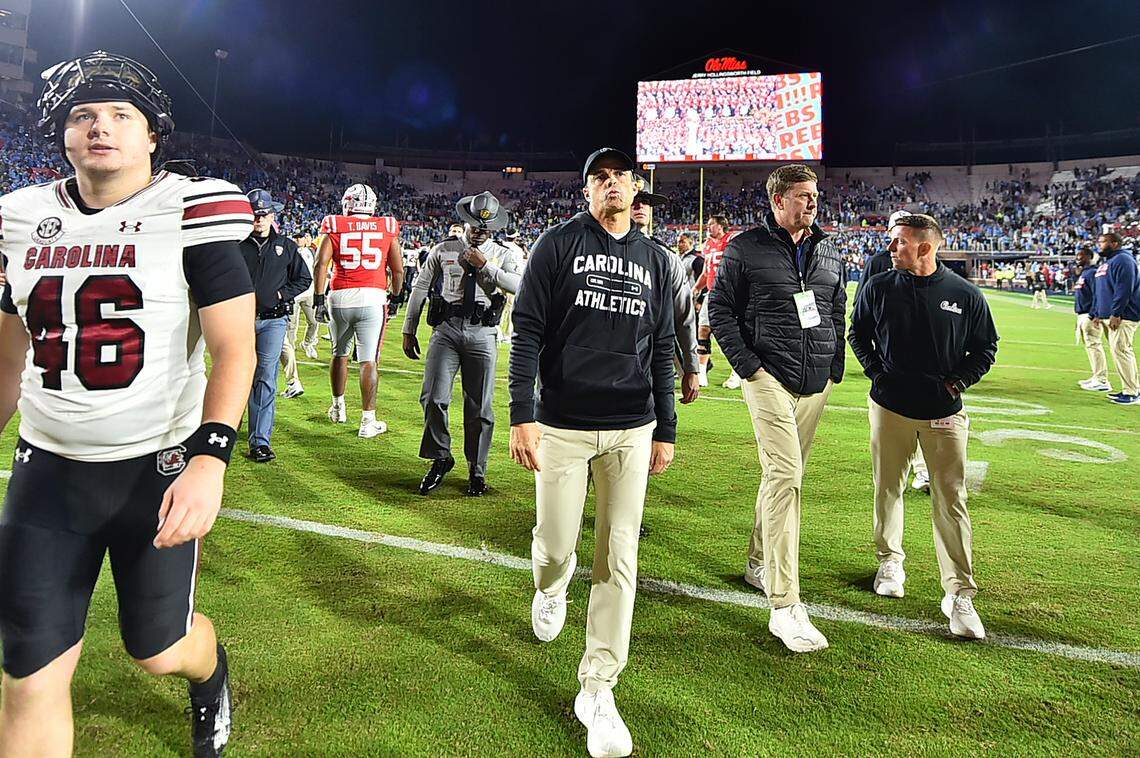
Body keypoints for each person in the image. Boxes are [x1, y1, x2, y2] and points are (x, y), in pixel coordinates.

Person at [0, 50, 255, 757]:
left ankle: (210, 673)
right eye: (84, 114)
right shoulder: (20, 219)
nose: (100, 126)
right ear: (62, 132)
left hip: (156, 467)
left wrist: (210, 460)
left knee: (159, 649)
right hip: (47, 469)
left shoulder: (192, 209)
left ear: (152, 135)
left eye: (120, 114)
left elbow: (236, 350)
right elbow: (9, 354)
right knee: (26, 675)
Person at [509, 147, 676, 758]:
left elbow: (661, 347)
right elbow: (526, 329)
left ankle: (598, 686)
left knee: (618, 557)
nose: (611, 187)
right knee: (557, 548)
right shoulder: (556, 246)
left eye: (620, 178)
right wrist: (522, 415)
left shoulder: (657, 261)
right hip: (563, 423)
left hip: (631, 427)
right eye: (598, 179)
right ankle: (551, 584)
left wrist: (666, 427)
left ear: (635, 189)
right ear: (586, 191)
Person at [708, 163, 845, 653]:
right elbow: (719, 309)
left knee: (780, 476)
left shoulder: (829, 248)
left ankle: (756, 561)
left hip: (815, 382)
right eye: (804, 195)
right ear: (778, 200)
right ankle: (785, 606)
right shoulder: (746, 248)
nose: (813, 202)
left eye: (815, 194)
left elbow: (835, 305)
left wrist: (835, 367)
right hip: (767, 374)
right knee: (787, 474)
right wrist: (748, 366)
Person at [848, 213, 998, 638]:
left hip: (943, 412)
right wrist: (877, 372)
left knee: (951, 500)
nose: (890, 249)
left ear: (925, 247)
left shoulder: (964, 294)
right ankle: (890, 561)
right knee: (887, 487)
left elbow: (986, 347)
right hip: (889, 407)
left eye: (898, 242)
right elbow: (857, 333)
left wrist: (957, 381)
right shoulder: (877, 286)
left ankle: (959, 592)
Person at [402, 192, 521, 496]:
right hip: (447, 330)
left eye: (486, 227)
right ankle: (441, 457)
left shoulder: (504, 253)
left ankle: (477, 470)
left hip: (483, 333)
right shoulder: (444, 249)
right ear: (465, 221)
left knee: (480, 406)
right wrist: (409, 328)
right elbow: (420, 288)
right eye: (475, 225)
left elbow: (518, 286)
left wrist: (485, 266)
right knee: (433, 397)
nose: (480, 231)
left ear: (494, 227)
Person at [314, 184, 405, 436]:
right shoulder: (386, 226)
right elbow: (397, 270)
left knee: (339, 354)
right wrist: (396, 297)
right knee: (368, 360)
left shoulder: (334, 224)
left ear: (348, 203)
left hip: (340, 296)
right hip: (373, 297)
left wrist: (319, 298)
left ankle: (338, 408)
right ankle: (367, 421)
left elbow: (321, 264)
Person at [859, 211, 929, 492]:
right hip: (887, 354)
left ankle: (923, 470)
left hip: (922, 353)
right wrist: (874, 364)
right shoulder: (878, 263)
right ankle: (895, 470)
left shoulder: (923, 265)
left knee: (926, 414)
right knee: (889, 414)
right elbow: (862, 310)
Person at [239, 189, 311, 462]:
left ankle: (259, 441)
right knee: (236, 375)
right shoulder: (236, 243)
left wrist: (280, 295)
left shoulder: (287, 247)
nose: (258, 219)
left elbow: (303, 280)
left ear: (272, 215)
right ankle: (226, 433)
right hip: (240, 319)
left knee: (265, 378)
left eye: (263, 214)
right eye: (254, 214)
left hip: (273, 319)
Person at [629, 176, 699, 405]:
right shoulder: (596, 250)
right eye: (634, 200)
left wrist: (690, 368)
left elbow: (683, 316)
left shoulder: (666, 257)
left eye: (646, 201)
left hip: (652, 363)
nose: (640, 206)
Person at [1092, 232, 1140, 405]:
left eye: (1103, 242)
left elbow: (1124, 288)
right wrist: (1099, 312)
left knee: (1122, 350)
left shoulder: (1123, 260)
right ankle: (1131, 388)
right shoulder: (1111, 261)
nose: (1099, 245)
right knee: (1118, 351)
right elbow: (1104, 290)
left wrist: (1116, 313)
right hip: (1109, 315)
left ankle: (1132, 392)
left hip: (1123, 316)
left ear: (1114, 243)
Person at [692, 214, 735, 387]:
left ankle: (736, 374)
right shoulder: (708, 245)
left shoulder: (731, 241)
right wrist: (696, 288)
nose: (708, 227)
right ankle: (701, 372)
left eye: (711, 224)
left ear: (721, 226)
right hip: (711, 293)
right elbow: (705, 272)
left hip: (729, 294)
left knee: (730, 335)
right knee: (703, 330)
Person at [279, 232, 318, 397]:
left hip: (304, 294)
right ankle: (293, 380)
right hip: (291, 297)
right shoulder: (289, 251)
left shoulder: (309, 252)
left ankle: (307, 344)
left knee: (313, 322)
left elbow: (312, 273)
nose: (300, 240)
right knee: (288, 332)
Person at [1074, 246, 1112, 392]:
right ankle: (1097, 376)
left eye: (1081, 256)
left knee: (1095, 345)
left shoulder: (1092, 273)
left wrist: (1094, 313)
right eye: (1077, 255)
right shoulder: (1085, 273)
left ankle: (1102, 380)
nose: (1078, 258)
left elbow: (1099, 294)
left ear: (1090, 257)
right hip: (1083, 314)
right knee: (1091, 346)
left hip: (1090, 315)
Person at [498, 226, 527, 344]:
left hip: (499, 279)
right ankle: (507, 334)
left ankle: (498, 330)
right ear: (515, 237)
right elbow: (520, 268)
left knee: (499, 306)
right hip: (513, 280)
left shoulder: (500, 246)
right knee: (510, 309)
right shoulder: (517, 250)